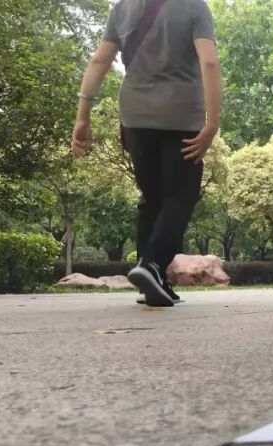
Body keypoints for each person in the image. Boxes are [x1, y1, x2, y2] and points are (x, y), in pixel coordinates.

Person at [72, 0, 221, 307]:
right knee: (180, 196)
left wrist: (82, 117)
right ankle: (151, 265)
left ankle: (153, 280)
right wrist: (212, 123)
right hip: (181, 115)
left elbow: (100, 60)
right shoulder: (194, 6)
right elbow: (209, 62)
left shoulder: (122, 8)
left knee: (152, 197)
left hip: (136, 116)